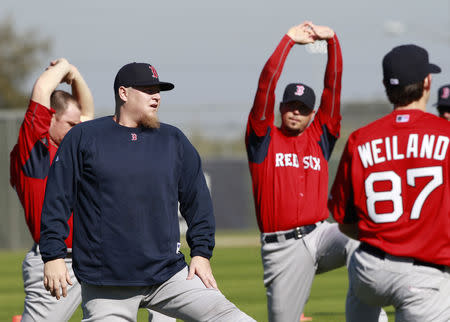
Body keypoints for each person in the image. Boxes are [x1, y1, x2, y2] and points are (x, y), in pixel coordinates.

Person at [39, 62, 255, 322]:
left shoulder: (173, 140)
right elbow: (57, 200)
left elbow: (197, 201)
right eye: (148, 89)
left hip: (169, 276)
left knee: (234, 318)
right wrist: (53, 255)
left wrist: (201, 253)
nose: (156, 96)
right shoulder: (85, 137)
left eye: (159, 90)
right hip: (107, 283)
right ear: (123, 93)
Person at [245, 21, 377, 322]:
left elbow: (334, 86)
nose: (295, 111)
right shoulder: (262, 138)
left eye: (303, 108)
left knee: (364, 238)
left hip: (322, 234)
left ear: (312, 113)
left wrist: (333, 43)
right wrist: (288, 41)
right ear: (280, 108)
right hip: (282, 249)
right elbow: (265, 84)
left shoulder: (320, 136)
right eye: (290, 105)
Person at [328, 44, 450, 321]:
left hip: (369, 270)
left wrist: (385, 240)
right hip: (424, 274)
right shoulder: (447, 135)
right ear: (427, 82)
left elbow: (345, 222)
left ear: (386, 86)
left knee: (360, 277)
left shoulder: (361, 139)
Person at [9, 58, 94, 321]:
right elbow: (42, 89)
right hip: (56, 261)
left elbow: (87, 115)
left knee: (159, 295)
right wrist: (64, 67)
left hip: (93, 255)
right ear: (49, 119)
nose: (77, 129)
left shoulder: (71, 151)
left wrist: (77, 76)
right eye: (70, 124)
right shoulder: (34, 149)